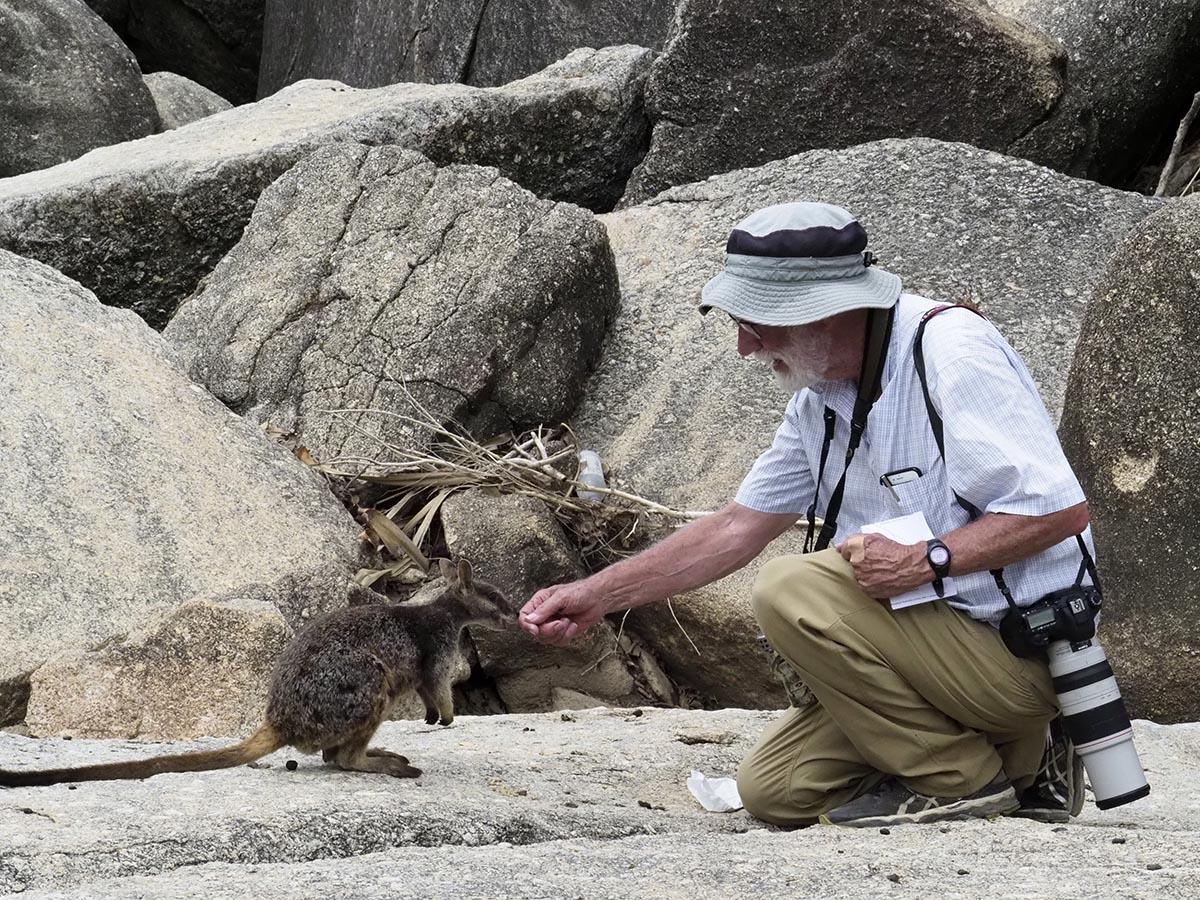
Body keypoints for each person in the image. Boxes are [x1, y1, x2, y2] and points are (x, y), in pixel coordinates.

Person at [518, 202, 1093, 828]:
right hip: (921, 657)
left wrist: (929, 561)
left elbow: (1058, 510)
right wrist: (598, 595)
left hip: (1015, 653)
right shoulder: (820, 396)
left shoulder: (950, 351)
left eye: (758, 324)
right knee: (774, 791)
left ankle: (967, 779)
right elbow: (739, 526)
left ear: (828, 309)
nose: (744, 348)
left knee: (792, 586)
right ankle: (1025, 764)